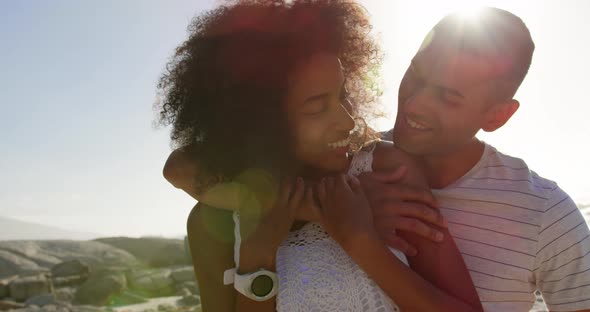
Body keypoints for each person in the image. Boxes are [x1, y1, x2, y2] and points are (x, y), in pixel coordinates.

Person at [157, 1, 482, 311]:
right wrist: (258, 258)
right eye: (316, 106)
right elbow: (176, 167)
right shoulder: (216, 221)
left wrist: (358, 239)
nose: (347, 121)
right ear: (260, 124)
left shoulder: (385, 172)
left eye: (342, 95)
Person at [361, 7, 590, 312]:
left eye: (448, 97)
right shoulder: (349, 162)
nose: (414, 105)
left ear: (498, 115)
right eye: (415, 74)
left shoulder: (546, 213)